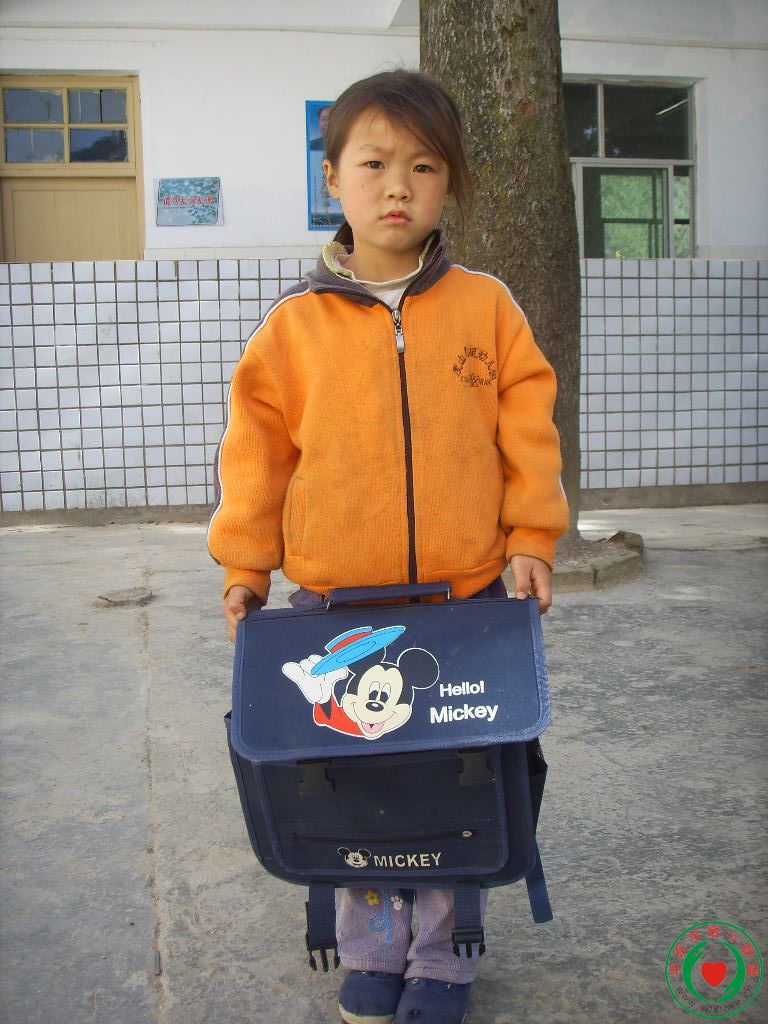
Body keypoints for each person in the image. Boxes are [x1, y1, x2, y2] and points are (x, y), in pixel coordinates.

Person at [208, 69, 569, 1024]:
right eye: (374, 164)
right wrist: (245, 567)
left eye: (424, 166)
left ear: (451, 184)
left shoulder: (489, 309)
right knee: (359, 791)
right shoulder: (292, 327)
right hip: (337, 614)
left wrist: (533, 537)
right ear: (334, 179)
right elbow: (256, 457)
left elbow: (529, 433)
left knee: (457, 784)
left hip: (465, 605)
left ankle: (444, 957)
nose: (398, 186)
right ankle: (372, 952)